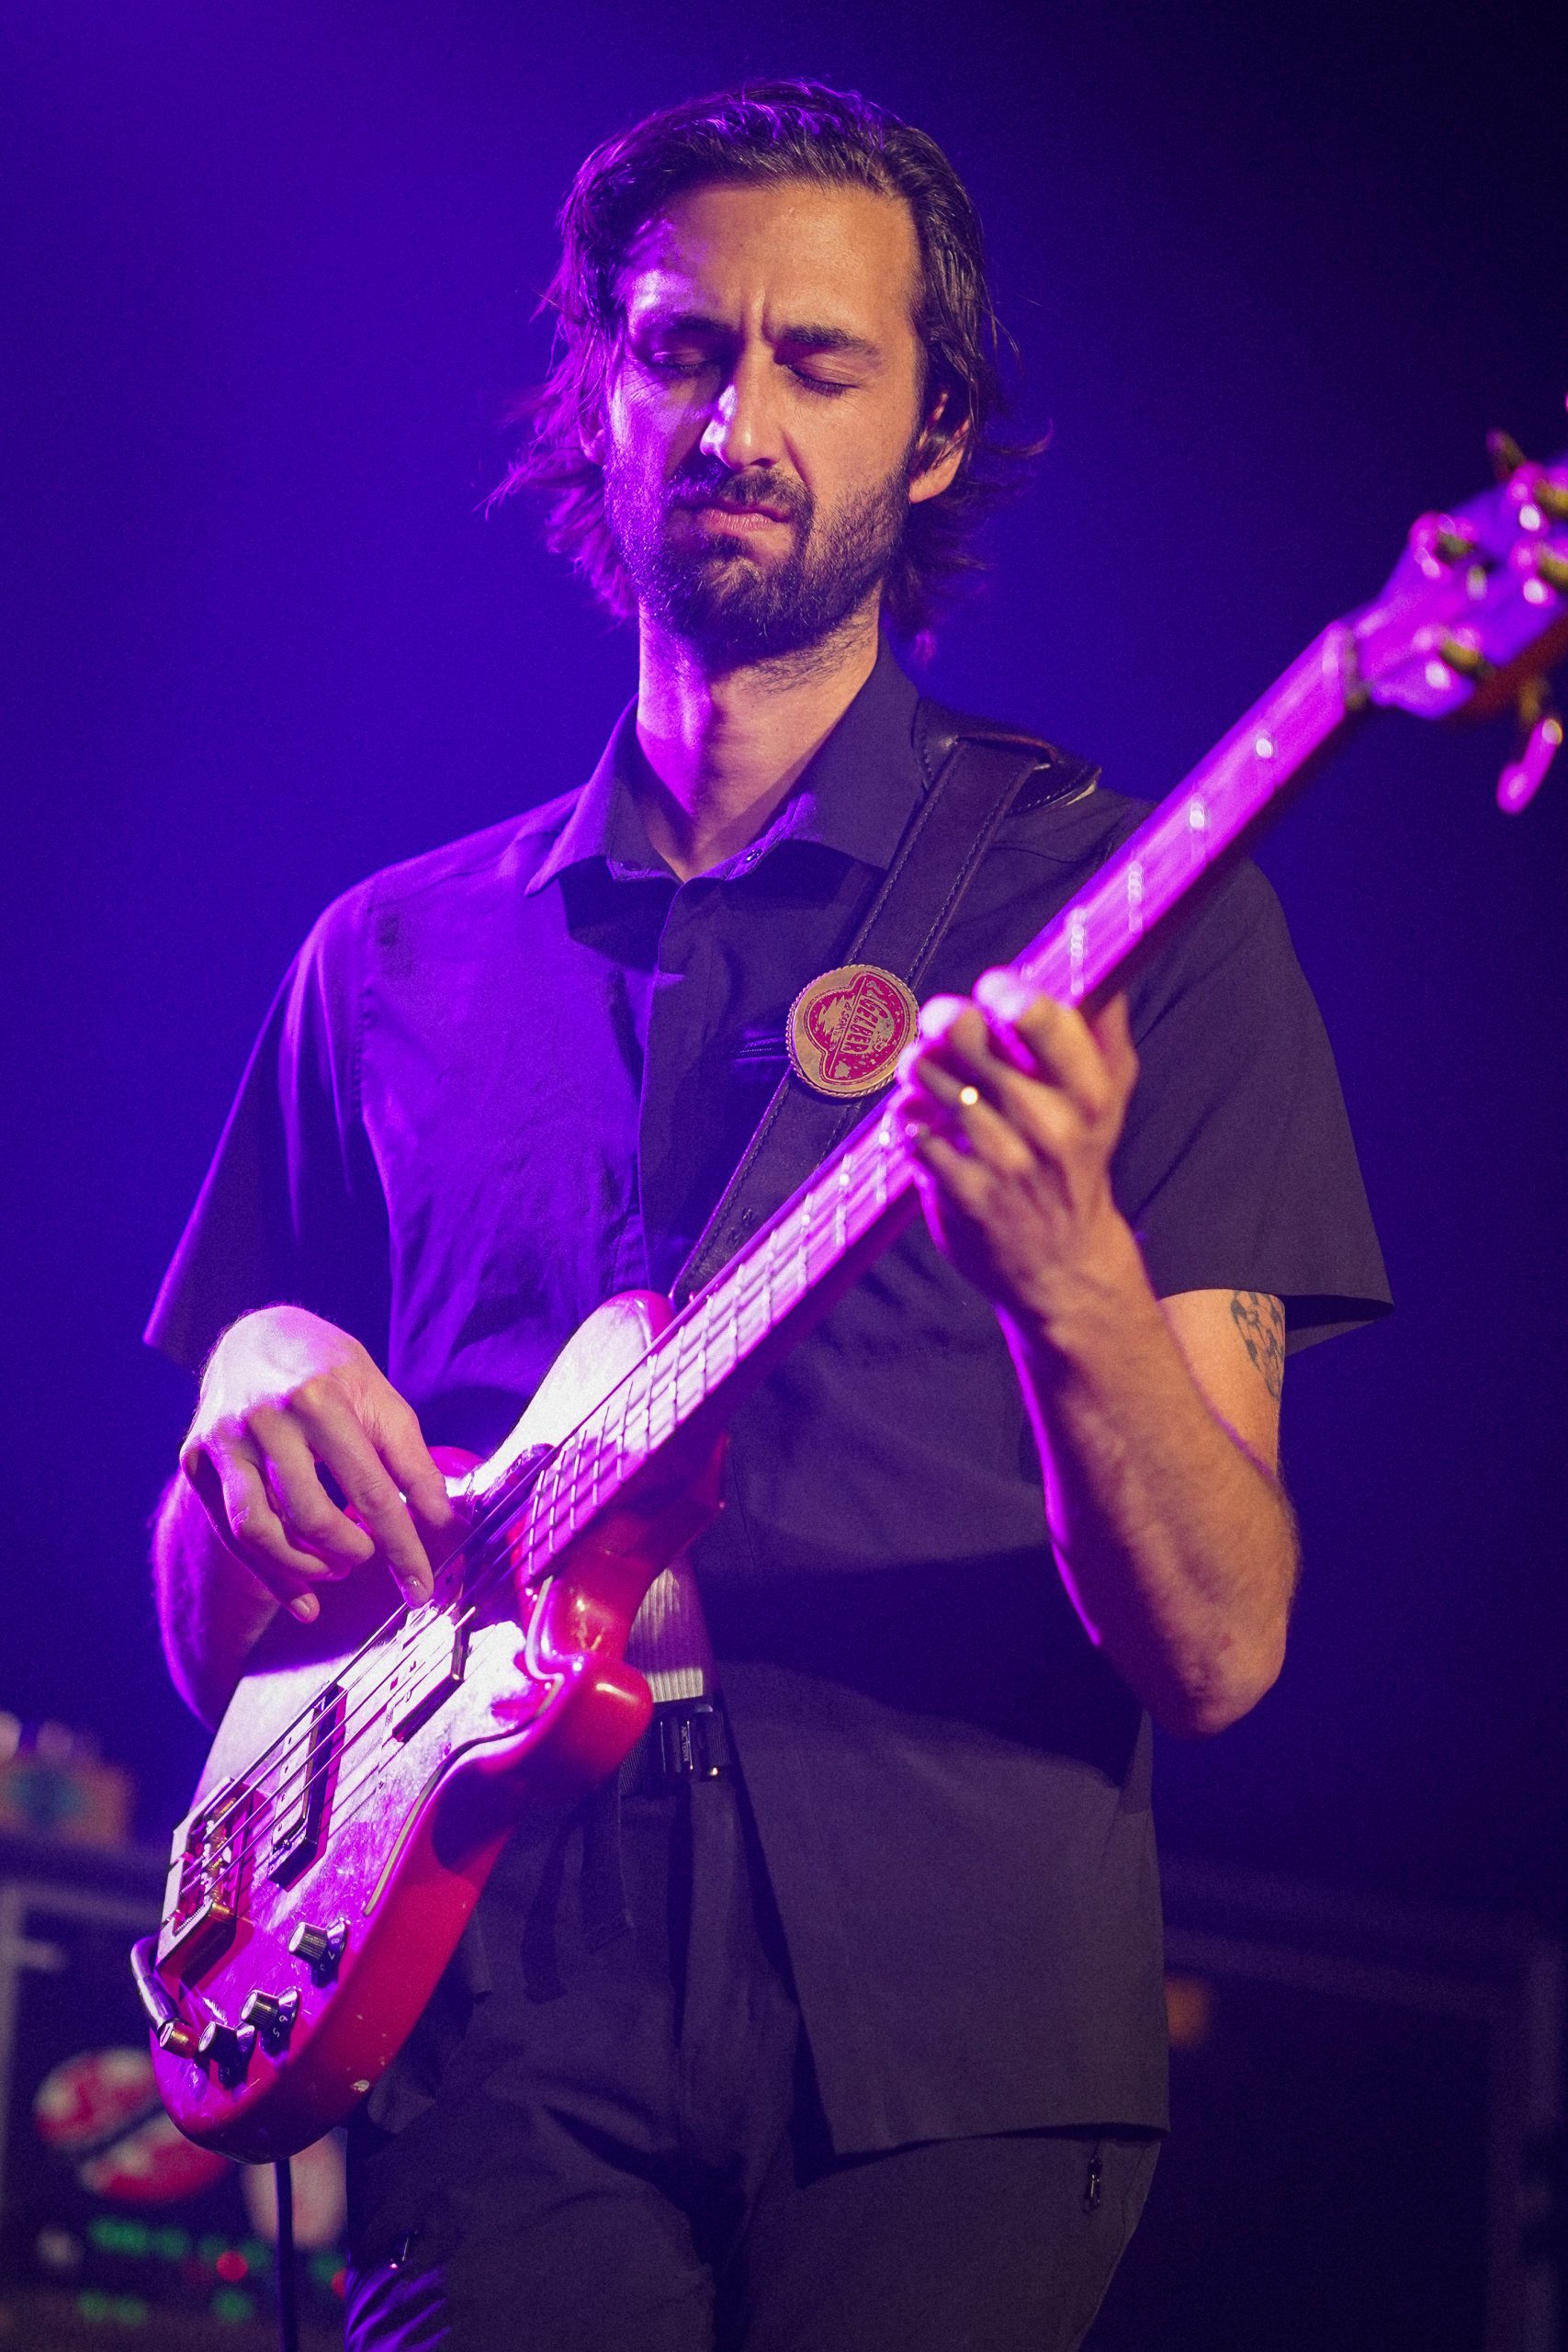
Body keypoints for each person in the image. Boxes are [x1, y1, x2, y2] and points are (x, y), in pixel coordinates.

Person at [148, 82, 1390, 2352]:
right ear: (595, 394)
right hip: (486, 1995)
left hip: (949, 1997)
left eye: (818, 362)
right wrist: (251, 1390)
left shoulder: (1129, 919)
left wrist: (1066, 1281)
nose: (736, 421)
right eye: (680, 352)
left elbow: (1219, 1643)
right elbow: (215, 1640)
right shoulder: (387, 957)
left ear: (933, 434)